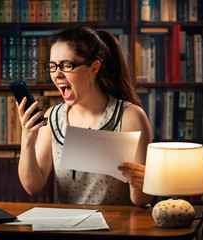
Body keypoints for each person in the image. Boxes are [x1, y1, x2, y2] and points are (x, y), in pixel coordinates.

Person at [16, 26, 153, 206]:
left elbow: (140, 200)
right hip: (69, 228)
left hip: (117, 228)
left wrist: (145, 182)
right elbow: (31, 186)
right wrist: (27, 137)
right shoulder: (53, 118)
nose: (57, 74)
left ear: (93, 68)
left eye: (66, 65)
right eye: (52, 66)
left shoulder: (130, 116)